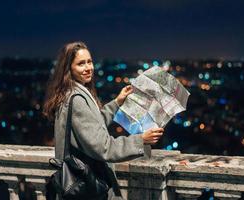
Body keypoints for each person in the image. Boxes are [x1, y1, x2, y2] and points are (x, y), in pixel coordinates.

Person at [43, 41, 164, 200]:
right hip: (88, 184)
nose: (88, 68)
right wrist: (140, 140)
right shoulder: (77, 98)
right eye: (81, 64)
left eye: (89, 61)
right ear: (69, 68)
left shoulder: (70, 92)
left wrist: (117, 102)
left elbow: (93, 125)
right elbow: (103, 147)